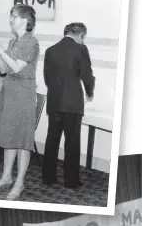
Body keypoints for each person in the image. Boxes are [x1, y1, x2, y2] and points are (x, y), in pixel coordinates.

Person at [0, 4, 40, 200]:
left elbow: (16, 67)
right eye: (11, 17)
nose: (11, 20)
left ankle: (19, 183)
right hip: (9, 91)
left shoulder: (31, 42)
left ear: (25, 20)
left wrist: (1, 51)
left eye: (14, 17)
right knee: (9, 136)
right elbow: (3, 69)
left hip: (23, 93)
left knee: (22, 140)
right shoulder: (13, 42)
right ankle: (6, 177)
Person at [42, 22, 95, 189]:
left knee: (52, 140)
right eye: (83, 37)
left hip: (54, 101)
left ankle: (48, 177)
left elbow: (47, 78)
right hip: (72, 103)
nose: (83, 41)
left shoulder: (50, 50)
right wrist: (90, 91)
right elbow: (87, 74)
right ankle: (71, 181)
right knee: (72, 142)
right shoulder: (81, 49)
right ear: (79, 35)